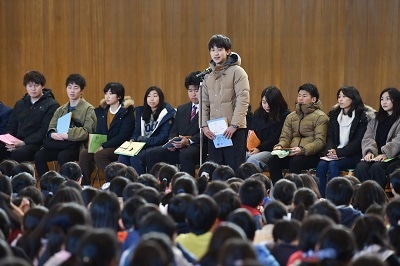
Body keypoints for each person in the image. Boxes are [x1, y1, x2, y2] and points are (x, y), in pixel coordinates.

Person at [201, 34, 250, 173]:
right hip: (214, 131)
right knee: (216, 170)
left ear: (228, 51)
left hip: (233, 130)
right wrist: (204, 126)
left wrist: (234, 125)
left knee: (234, 170)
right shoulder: (208, 74)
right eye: (212, 50)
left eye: (220, 49)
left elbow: (243, 100)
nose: (216, 53)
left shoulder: (238, 72)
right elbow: (204, 102)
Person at [34, 73, 96, 177]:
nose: (72, 91)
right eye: (69, 87)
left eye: (75, 88)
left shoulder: (89, 109)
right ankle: (48, 183)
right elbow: (51, 126)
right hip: (61, 143)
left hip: (78, 145)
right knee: (39, 155)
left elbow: (88, 131)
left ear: (82, 91)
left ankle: (67, 184)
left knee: (63, 156)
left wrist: (69, 134)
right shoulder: (61, 109)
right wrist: (52, 134)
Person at [316, 86, 373, 197]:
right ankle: (321, 197)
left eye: (344, 96)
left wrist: (339, 153)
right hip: (335, 153)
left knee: (333, 165)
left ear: (353, 98)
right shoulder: (334, 114)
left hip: (353, 154)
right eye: (339, 96)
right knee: (321, 165)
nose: (340, 99)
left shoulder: (363, 116)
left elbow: (358, 141)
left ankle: (336, 197)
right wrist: (330, 151)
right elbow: (330, 137)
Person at [145, 71, 204, 177]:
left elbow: (207, 133)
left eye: (196, 90)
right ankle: (157, 184)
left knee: (186, 154)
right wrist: (172, 141)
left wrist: (188, 141)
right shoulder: (182, 108)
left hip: (198, 146)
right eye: (190, 90)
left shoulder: (209, 109)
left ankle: (186, 186)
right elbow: (174, 130)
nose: (193, 94)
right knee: (152, 153)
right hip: (178, 146)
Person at [267, 83, 329, 184]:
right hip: (292, 153)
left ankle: (295, 192)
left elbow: (320, 141)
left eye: (304, 96)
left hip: (311, 154)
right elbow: (285, 137)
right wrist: (280, 146)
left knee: (296, 162)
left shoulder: (321, 117)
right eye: (299, 95)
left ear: (313, 99)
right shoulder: (291, 116)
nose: (300, 98)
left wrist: (302, 150)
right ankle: (281, 190)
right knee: (273, 161)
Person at [78, 82, 135, 185]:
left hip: (119, 147)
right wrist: (94, 144)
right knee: (85, 154)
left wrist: (104, 146)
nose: (107, 96)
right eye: (106, 93)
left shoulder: (126, 112)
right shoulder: (102, 111)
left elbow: (123, 136)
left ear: (119, 96)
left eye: (111, 93)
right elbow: (99, 131)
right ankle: (85, 184)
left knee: (100, 155)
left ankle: (113, 182)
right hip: (104, 146)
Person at [0, 70, 59, 162]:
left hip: (36, 143)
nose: (33, 89)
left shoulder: (52, 105)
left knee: (18, 153)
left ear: (42, 86)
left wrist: (23, 143)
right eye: (30, 86)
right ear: (26, 87)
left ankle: (19, 176)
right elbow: (11, 126)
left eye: (36, 85)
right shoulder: (20, 104)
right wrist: (9, 141)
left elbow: (44, 131)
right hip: (17, 141)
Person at [118, 86, 175, 174]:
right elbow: (136, 131)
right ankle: (126, 183)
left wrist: (146, 140)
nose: (151, 99)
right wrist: (133, 139)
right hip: (142, 144)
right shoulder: (141, 112)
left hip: (157, 146)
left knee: (135, 158)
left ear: (161, 98)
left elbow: (163, 137)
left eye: (155, 96)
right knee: (123, 156)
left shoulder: (167, 113)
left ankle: (142, 183)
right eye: (149, 96)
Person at [354, 87, 400, 189]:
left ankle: (377, 199)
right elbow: (368, 137)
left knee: (377, 167)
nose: (384, 102)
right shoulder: (375, 118)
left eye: (388, 99)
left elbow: (398, 141)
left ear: (396, 100)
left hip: (394, 156)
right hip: (376, 155)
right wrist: (369, 151)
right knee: (361, 167)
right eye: (382, 99)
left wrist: (386, 153)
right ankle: (363, 198)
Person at [246, 86, 290, 171]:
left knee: (252, 161)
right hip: (255, 148)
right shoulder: (258, 114)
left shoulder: (285, 116)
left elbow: (277, 138)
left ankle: (255, 184)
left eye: (270, 103)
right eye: (264, 102)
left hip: (272, 151)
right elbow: (252, 133)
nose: (267, 106)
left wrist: (259, 148)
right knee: (240, 157)